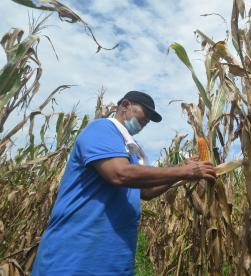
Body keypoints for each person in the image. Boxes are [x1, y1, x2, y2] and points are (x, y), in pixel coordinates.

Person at [31, 91, 216, 275]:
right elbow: (119, 174)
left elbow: (146, 191)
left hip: (115, 261)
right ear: (125, 105)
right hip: (75, 257)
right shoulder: (102, 129)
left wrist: (181, 173)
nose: (147, 120)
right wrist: (184, 171)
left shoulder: (130, 149)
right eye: (145, 112)